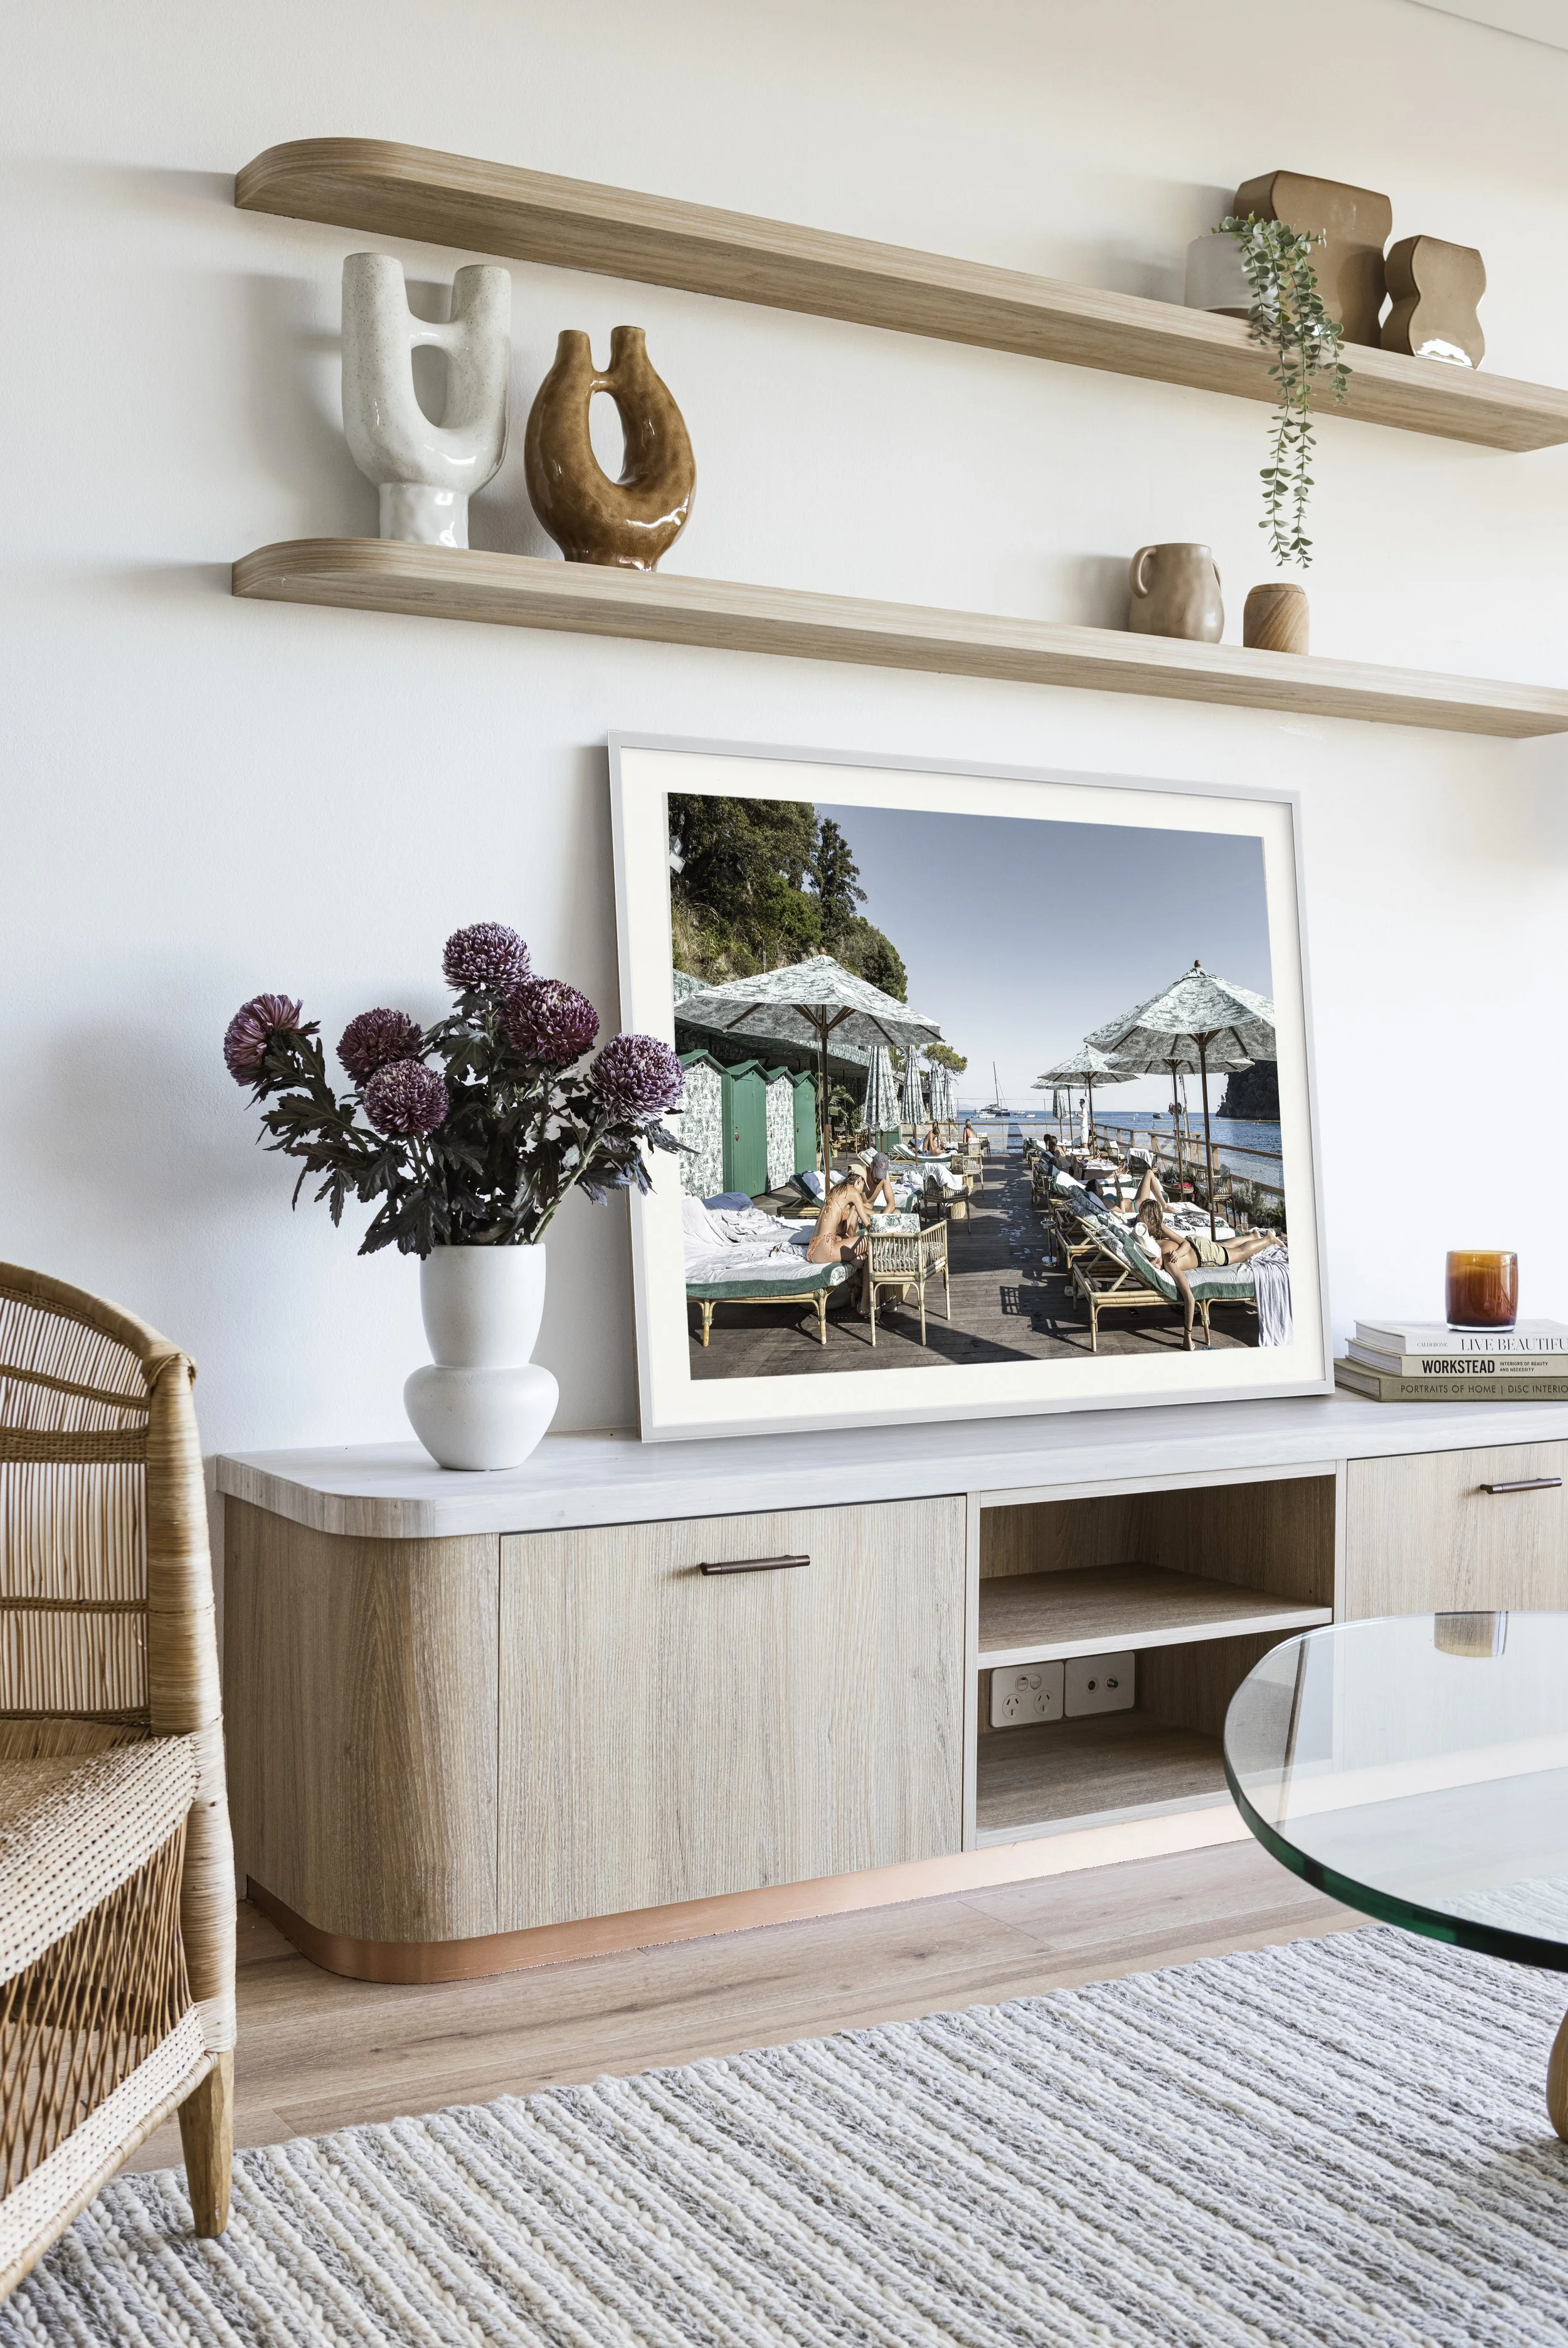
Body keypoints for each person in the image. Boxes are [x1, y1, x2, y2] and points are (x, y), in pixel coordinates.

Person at [1137, 1201, 1281, 1351]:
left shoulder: (1168, 1259)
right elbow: (1183, 1243)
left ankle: (1268, 1239)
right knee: (1225, 1246)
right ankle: (1253, 1236)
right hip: (1196, 1243)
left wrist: (1187, 1336)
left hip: (1204, 1254)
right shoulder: (1155, 1241)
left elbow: (1190, 1299)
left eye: (1153, 1263)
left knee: (1239, 1254)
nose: (1155, 1266)